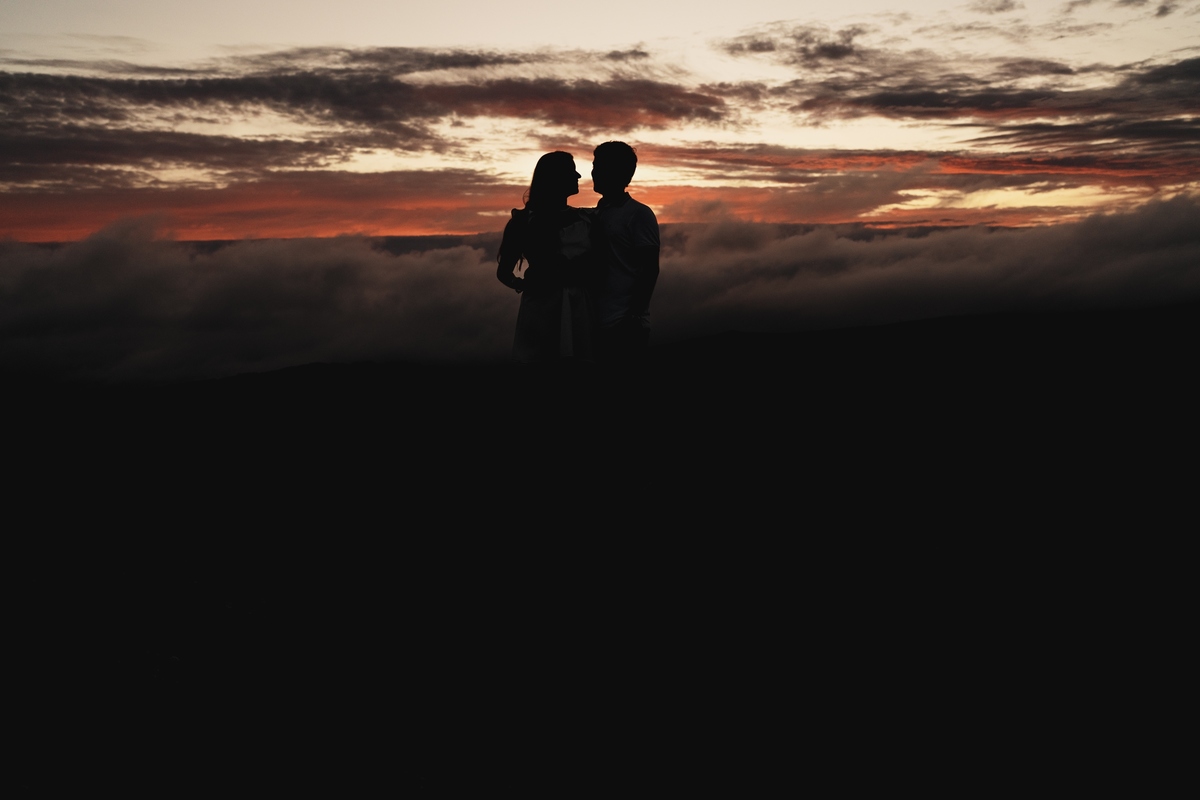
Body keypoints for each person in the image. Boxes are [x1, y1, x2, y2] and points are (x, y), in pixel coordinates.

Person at [496, 152, 597, 365]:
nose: (578, 175)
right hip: (543, 309)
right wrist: (527, 284)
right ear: (556, 177)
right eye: (571, 171)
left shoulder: (586, 219)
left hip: (579, 307)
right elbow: (504, 272)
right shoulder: (524, 222)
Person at [590, 142, 660, 365]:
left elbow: (650, 268)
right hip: (596, 324)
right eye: (594, 165)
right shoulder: (595, 214)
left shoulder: (638, 214)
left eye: (599, 166)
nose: (593, 172)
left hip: (623, 326)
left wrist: (633, 318)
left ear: (617, 172)